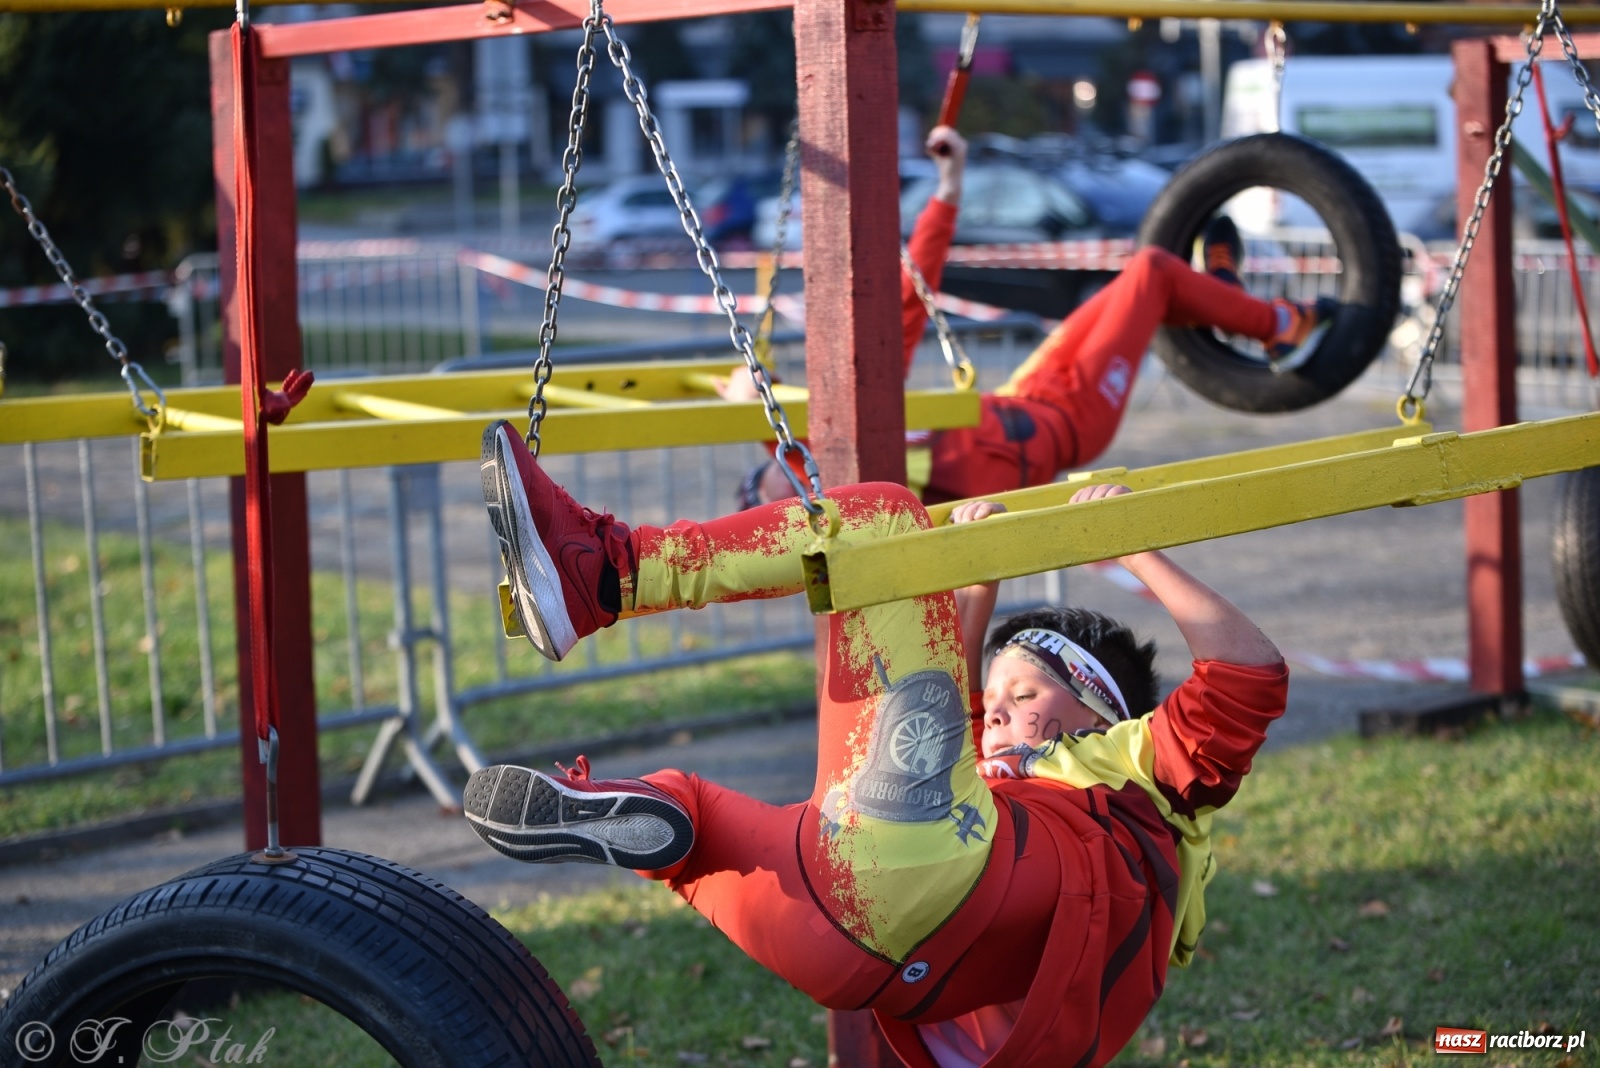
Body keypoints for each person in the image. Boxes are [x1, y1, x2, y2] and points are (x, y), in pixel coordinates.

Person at [466, 419, 1289, 1067]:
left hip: (932, 873)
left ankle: (609, 571)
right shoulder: (1002, 775)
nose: (996, 711)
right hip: (847, 953)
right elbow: (954, 720)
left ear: (1103, 716)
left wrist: (1134, 547)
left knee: (883, 521)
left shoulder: (1142, 775)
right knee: (689, 814)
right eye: (994, 695)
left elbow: (1249, 672)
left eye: (1026, 694)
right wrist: (975, 583)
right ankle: (631, 817)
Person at [726, 126, 1337, 507]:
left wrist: (949, 187)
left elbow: (908, 310)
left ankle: (1222, 292)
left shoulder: (823, 431)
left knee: (1148, 278)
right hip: (1072, 422)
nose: (789, 482)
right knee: (1151, 271)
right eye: (787, 493)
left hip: (1031, 390)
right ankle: (1277, 326)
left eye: (776, 475)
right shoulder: (873, 503)